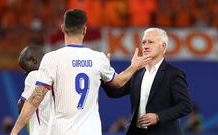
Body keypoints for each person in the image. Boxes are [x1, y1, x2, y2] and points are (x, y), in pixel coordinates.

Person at [10, 9, 150, 135]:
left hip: (61, 131)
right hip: (91, 131)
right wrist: (134, 66)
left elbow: (35, 99)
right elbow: (119, 82)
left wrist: (15, 130)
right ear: (84, 30)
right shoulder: (98, 58)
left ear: (63, 28)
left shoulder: (51, 59)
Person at [102, 28, 192, 135]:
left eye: (151, 42)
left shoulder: (173, 74)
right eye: (144, 42)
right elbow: (115, 92)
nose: (145, 46)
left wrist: (158, 117)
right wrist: (105, 74)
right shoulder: (137, 73)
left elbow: (185, 105)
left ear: (163, 46)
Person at [17, 45, 51, 135]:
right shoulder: (56, 73)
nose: (25, 73)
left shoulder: (34, 75)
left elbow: (21, 108)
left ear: (34, 61)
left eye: (25, 67)